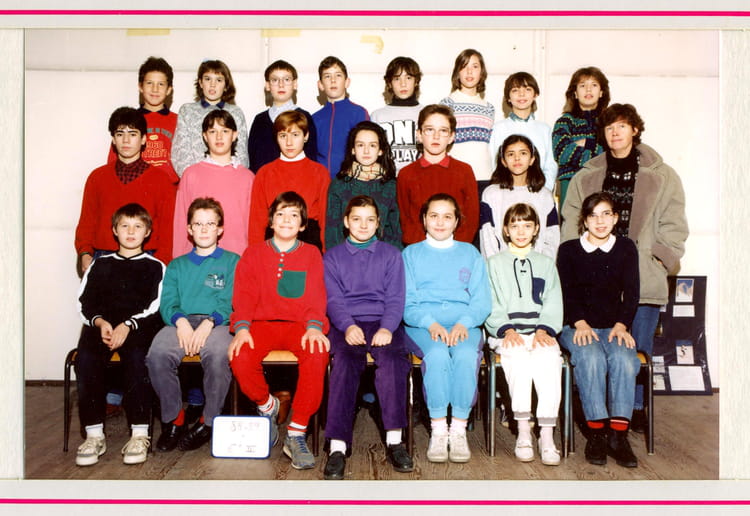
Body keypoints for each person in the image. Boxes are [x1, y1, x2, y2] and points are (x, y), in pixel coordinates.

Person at [561, 103, 689, 432]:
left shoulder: (663, 175)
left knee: (636, 348)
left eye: (622, 125)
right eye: (609, 127)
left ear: (635, 129)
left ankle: (635, 409)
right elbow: (570, 220)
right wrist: (575, 259)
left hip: (642, 273)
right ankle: (597, 413)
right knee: (596, 350)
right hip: (595, 277)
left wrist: (660, 258)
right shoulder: (586, 175)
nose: (615, 132)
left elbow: (675, 224)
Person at [229, 192, 330, 470]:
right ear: (271, 222)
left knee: (317, 351)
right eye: (281, 214)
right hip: (261, 325)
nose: (286, 220)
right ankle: (267, 405)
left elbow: (316, 296)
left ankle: (296, 432)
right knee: (239, 355)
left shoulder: (311, 254)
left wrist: (314, 327)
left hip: (299, 326)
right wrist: (242, 328)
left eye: (294, 215)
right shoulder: (253, 253)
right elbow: (244, 297)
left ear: (302, 225)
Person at [323, 195, 412, 480]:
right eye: (357, 219)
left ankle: (395, 441)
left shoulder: (391, 255)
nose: (363, 225)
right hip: (347, 322)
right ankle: (337, 446)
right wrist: (347, 326)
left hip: (383, 321)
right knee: (344, 363)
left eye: (370, 220)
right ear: (346, 222)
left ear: (378, 223)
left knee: (394, 362)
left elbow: (396, 297)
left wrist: (387, 327)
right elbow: (334, 300)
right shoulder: (333, 257)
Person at [74, 203, 165, 466]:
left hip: (136, 327)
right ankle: (94, 435)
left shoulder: (155, 266)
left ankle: (139, 433)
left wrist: (128, 324)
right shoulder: (100, 264)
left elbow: (156, 306)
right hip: (102, 327)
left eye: (138, 226)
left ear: (147, 232)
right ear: (115, 230)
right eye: (125, 226)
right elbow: (84, 302)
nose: (131, 232)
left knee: (137, 358)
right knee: (86, 359)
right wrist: (100, 322)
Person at [402, 194, 491, 463]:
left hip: (464, 324)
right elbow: (406, 302)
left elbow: (481, 300)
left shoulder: (470, 253)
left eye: (447, 217)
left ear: (456, 221)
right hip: (423, 325)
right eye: (434, 216)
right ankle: (439, 429)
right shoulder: (410, 254)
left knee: (465, 355)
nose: (440, 222)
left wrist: (465, 322)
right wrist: (430, 323)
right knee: (438, 355)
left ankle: (459, 428)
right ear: (424, 219)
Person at [146, 197, 239, 453]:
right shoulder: (176, 265)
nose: (204, 229)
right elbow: (168, 302)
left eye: (211, 224)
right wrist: (181, 321)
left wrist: (210, 322)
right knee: (157, 354)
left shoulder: (232, 261)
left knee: (218, 355)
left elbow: (231, 300)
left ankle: (208, 421)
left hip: (218, 323)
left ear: (220, 229)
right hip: (182, 322)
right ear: (189, 229)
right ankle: (174, 418)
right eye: (198, 224)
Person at [557, 192, 641, 467]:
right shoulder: (569, 250)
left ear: (615, 218)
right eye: (593, 215)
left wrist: (622, 325)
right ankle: (596, 433)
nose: (600, 221)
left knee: (624, 359)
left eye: (606, 214)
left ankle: (618, 435)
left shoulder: (626, 247)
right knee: (591, 357)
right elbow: (566, 292)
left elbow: (632, 292)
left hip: (614, 327)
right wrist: (579, 322)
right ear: (584, 220)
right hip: (576, 325)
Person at [484, 203, 563, 466]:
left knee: (548, 359)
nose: (521, 231)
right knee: (517, 358)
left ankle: (547, 435)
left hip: (540, 331)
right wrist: (506, 329)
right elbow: (491, 301)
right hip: (507, 332)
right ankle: (524, 430)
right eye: (515, 226)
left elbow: (553, 301)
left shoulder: (546, 264)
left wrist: (543, 328)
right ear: (506, 230)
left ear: (536, 229)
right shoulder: (494, 264)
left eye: (527, 225)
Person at [75, 106, 175, 272]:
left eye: (133, 134)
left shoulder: (161, 180)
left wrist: (160, 264)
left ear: (143, 139)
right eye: (120, 134)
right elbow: (87, 221)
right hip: (103, 256)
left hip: (147, 258)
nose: (126, 140)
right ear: (113, 140)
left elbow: (167, 230)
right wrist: (85, 253)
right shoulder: (97, 177)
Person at [173, 109, 255, 257]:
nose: (219, 137)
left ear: (234, 135)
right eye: (212, 131)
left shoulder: (248, 178)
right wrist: (180, 261)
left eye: (225, 131)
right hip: (200, 258)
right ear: (205, 136)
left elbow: (254, 226)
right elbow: (181, 223)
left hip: (239, 257)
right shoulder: (191, 175)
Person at [397, 104, 479, 246]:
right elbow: (405, 218)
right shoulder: (406, 174)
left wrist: (456, 247)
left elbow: (471, 219)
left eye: (443, 130)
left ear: (452, 137)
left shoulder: (464, 171)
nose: (436, 136)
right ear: (419, 135)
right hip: (419, 249)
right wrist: (421, 248)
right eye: (429, 130)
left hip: (456, 249)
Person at [248, 110, 330, 250]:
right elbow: (257, 222)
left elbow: (325, 220)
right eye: (283, 136)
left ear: (306, 136)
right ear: (276, 138)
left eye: (295, 135)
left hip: (309, 243)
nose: (289, 142)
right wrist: (255, 255)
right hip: (273, 243)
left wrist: (325, 254)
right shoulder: (265, 173)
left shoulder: (320, 173)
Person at [480, 134, 559, 259]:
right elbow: (487, 238)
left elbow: (552, 238)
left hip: (537, 265)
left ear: (532, 159)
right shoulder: (491, 194)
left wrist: (543, 265)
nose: (517, 158)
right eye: (510, 154)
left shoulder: (544, 196)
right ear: (503, 161)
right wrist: (495, 266)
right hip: (501, 266)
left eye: (523, 153)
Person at [325, 121, 402, 250]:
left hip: (381, 257)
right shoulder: (339, 184)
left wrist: (387, 258)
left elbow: (395, 231)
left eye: (372, 145)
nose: (366, 151)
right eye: (360, 145)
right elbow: (332, 231)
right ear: (353, 149)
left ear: (380, 150)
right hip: (345, 257)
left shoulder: (391, 186)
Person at [106, 56, 179, 184]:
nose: (155, 89)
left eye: (161, 84)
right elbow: (113, 162)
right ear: (140, 86)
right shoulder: (128, 120)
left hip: (169, 188)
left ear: (169, 89)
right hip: (135, 186)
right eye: (149, 83)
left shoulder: (179, 121)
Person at [172, 59, 249, 177]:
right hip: (196, 180)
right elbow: (180, 154)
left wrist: (229, 179)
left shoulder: (236, 113)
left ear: (226, 85)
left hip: (229, 179)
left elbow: (242, 155)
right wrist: (196, 179)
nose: (213, 84)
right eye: (208, 79)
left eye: (219, 80)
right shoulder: (187, 111)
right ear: (200, 83)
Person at [552, 66, 610, 208]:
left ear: (601, 92)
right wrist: (595, 149)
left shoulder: (608, 122)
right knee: (570, 220)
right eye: (583, 85)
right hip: (570, 182)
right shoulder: (565, 121)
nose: (588, 90)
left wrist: (584, 143)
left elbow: (611, 153)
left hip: (601, 182)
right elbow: (562, 153)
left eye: (594, 85)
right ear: (575, 93)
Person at [489, 72, 557, 191]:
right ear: (508, 97)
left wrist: (544, 190)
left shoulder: (544, 129)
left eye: (527, 89)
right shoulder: (498, 128)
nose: (521, 94)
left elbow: (550, 165)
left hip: (538, 191)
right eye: (515, 90)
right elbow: (494, 164)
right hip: (506, 191)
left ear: (535, 94)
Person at [247, 59, 318, 173]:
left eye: (287, 79)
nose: (281, 85)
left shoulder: (304, 117)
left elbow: (311, 158)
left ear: (295, 84)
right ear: (268, 85)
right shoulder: (259, 120)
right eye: (275, 80)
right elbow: (253, 160)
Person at [439, 49, 495, 182]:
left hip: (485, 177)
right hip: (455, 177)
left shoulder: (489, 108)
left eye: (475, 67)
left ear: (482, 72)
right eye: (464, 67)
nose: (469, 72)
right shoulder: (447, 104)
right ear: (457, 72)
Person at [312, 56, 369, 176]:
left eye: (338, 75)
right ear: (320, 85)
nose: (333, 80)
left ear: (347, 82)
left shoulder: (359, 113)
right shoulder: (314, 118)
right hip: (321, 181)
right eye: (327, 76)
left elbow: (366, 151)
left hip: (350, 181)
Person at [370, 56, 423, 173]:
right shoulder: (377, 116)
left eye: (408, 78)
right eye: (397, 79)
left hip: (419, 178)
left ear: (416, 81)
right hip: (386, 179)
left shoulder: (427, 114)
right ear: (389, 83)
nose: (403, 84)